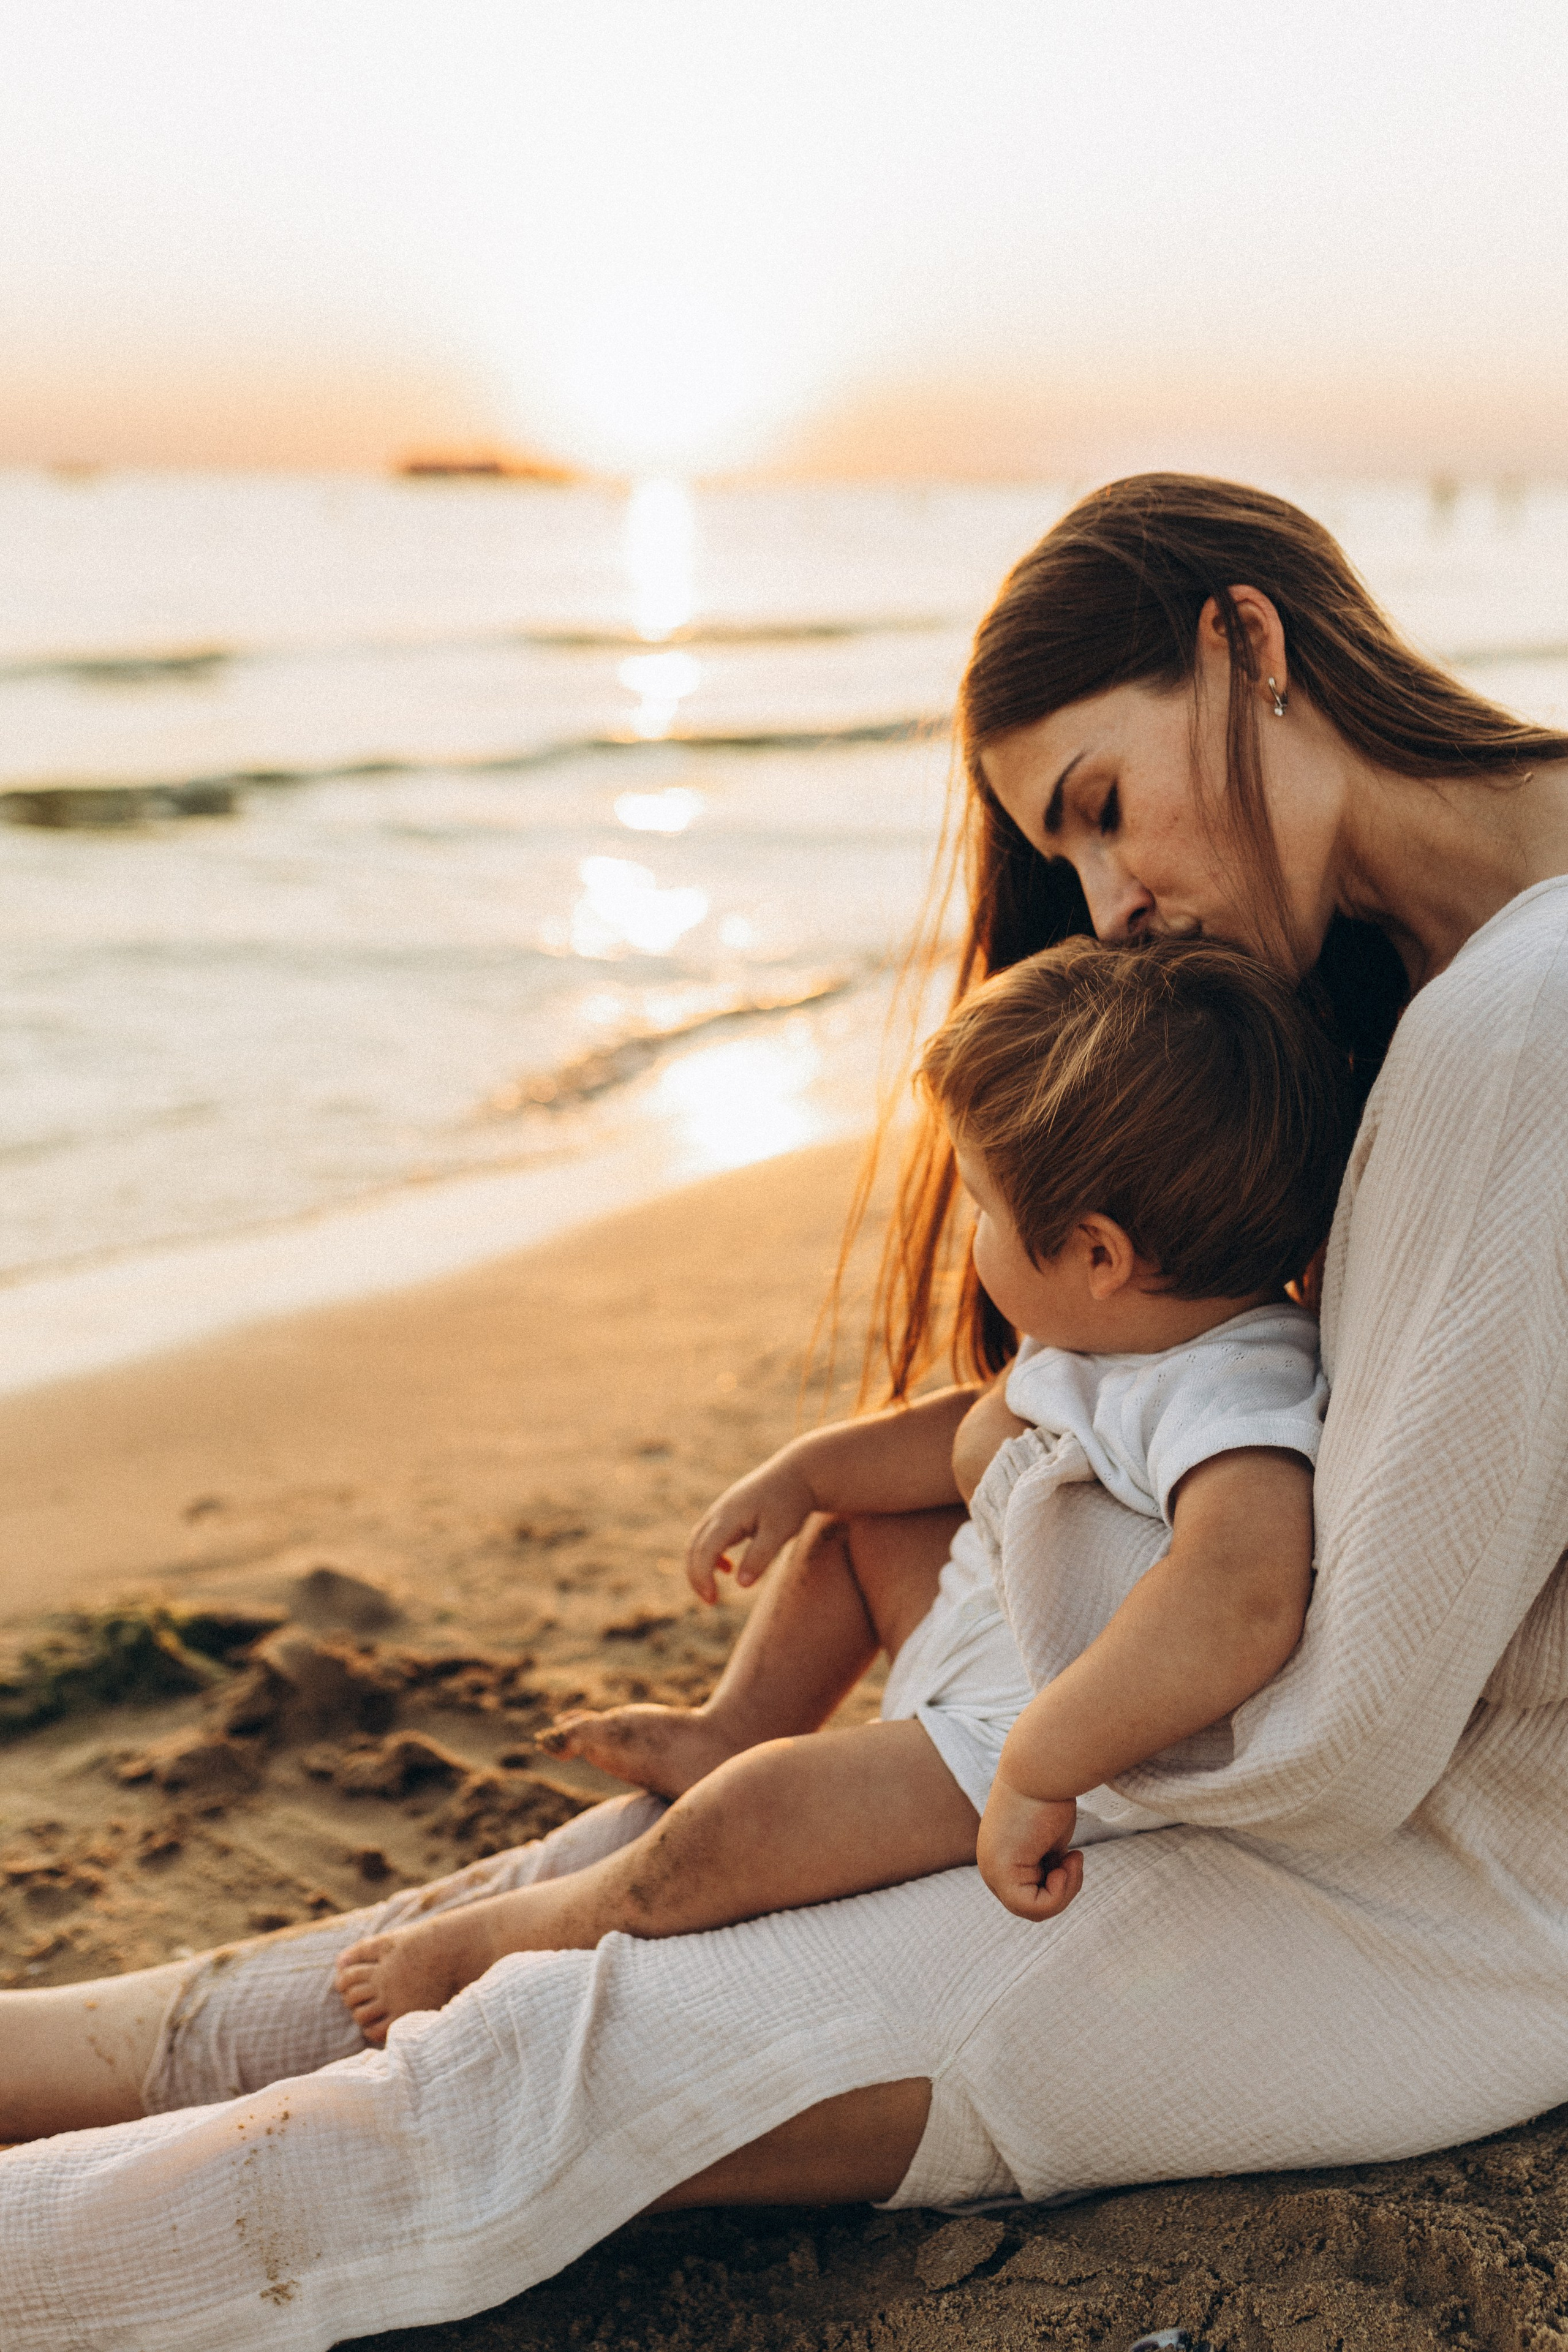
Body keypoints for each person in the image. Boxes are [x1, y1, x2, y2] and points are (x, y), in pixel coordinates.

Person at [7, 474, 1568, 2352]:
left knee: (550, 2055)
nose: (1112, 900)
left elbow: (1356, 1733)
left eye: (1100, 807)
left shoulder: (1526, 1012)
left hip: (1418, 1894)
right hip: (1218, 1772)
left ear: (1250, 642)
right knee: (599, 1890)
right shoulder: (1397, 980)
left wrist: (969, 1755)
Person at [331, 935, 1349, 2043]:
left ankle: (511, 1936)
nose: (971, 1233)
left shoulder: (1232, 1391)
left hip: (1024, 1747)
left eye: (982, 1208)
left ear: (1097, 1254)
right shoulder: (1131, 1326)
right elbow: (978, 1422)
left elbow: (1239, 1594)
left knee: (750, 1818)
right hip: (983, 1655)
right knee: (863, 1534)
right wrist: (808, 1474)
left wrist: (1048, 1756)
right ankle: (740, 1720)